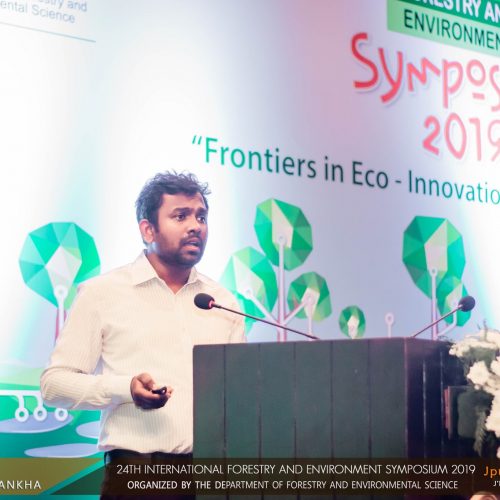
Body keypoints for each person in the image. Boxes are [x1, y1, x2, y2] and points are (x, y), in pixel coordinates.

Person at [40, 171, 246, 498]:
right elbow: (54, 385)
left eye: (201, 217)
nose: (196, 226)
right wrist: (125, 389)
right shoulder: (102, 293)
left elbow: (237, 397)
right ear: (148, 229)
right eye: (180, 216)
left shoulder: (223, 303)